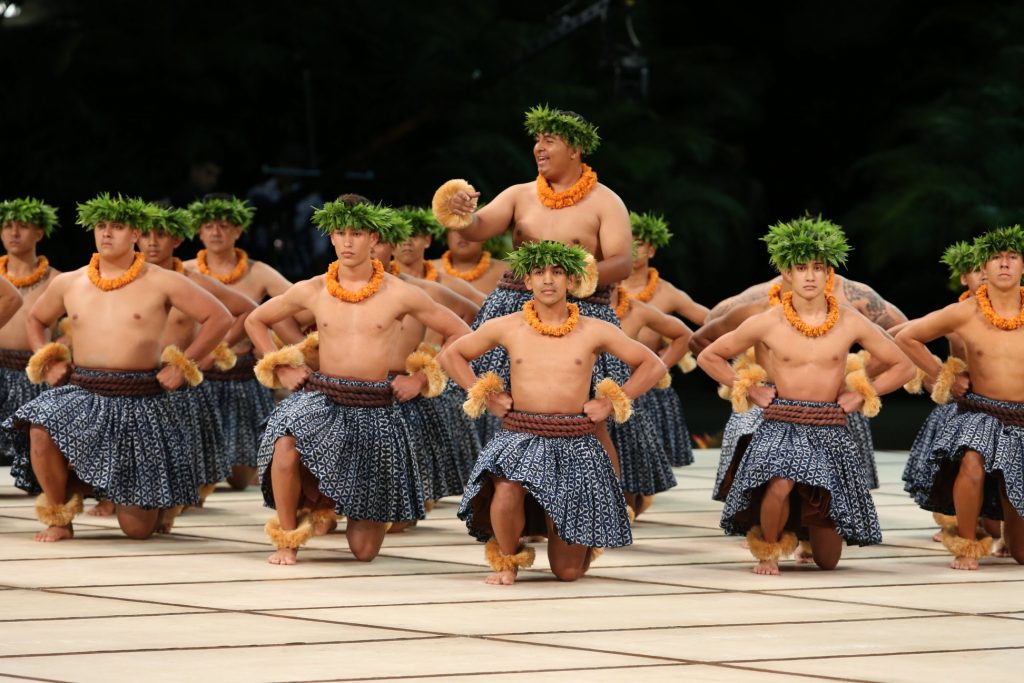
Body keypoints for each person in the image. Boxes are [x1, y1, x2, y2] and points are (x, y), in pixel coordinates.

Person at [244, 199, 471, 565]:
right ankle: (287, 538)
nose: (347, 242)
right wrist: (280, 365)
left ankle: (334, 502)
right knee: (285, 441)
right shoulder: (313, 289)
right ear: (332, 239)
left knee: (364, 552)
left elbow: (461, 331)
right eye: (340, 233)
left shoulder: (400, 292)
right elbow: (256, 320)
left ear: (374, 238)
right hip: (324, 398)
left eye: (357, 234)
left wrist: (421, 377)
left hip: (375, 408)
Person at [4, 193, 232, 541]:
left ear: (135, 235)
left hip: (141, 399)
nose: (107, 233)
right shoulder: (70, 282)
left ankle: (133, 498)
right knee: (39, 425)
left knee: (138, 530)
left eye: (118, 227)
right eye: (102, 226)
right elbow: (36, 319)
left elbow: (220, 317)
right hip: (83, 391)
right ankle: (59, 517)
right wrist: (46, 358)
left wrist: (186, 365)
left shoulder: (162, 280)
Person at [439, 241, 665, 584]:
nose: (548, 280)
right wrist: (486, 394)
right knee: (507, 486)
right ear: (527, 281)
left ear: (571, 282)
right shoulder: (508, 325)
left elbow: (653, 363)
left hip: (574, 441)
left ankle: (564, 528)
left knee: (568, 572)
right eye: (540, 273)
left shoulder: (595, 329)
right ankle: (507, 559)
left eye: (557, 273)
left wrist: (611, 400)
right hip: (521, 435)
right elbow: (451, 356)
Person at [698, 218, 913, 575]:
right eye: (801, 268)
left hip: (828, 426)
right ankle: (768, 549)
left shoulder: (849, 320)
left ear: (829, 273)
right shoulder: (767, 320)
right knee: (781, 481)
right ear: (787, 272)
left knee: (828, 561)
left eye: (818, 268)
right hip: (781, 423)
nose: (810, 276)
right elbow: (708, 354)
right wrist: (750, 388)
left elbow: (902, 366)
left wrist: (861, 394)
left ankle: (805, 534)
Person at [432, 104, 633, 464]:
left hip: (580, 313)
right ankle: (514, 500)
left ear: (575, 149)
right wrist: (460, 214)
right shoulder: (519, 195)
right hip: (516, 309)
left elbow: (621, 261)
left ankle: (608, 506)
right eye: (537, 140)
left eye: (549, 140)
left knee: (587, 417)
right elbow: (479, 227)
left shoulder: (606, 202)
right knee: (507, 410)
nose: (539, 148)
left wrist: (575, 279)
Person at [895, 225, 1024, 570]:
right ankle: (967, 543)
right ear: (984, 267)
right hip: (982, 411)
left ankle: (1013, 533)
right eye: (996, 258)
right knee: (971, 459)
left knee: (1021, 552)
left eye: (1012, 257)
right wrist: (944, 376)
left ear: (1023, 266)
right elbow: (906, 336)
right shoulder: (965, 313)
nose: (1004, 264)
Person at [139, 203, 258, 504]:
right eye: (147, 235)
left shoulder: (192, 280)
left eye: (162, 235)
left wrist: (211, 352)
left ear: (177, 240)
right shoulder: (125, 280)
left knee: (223, 480)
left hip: (180, 382)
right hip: (135, 381)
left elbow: (247, 311)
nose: (153, 242)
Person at [183, 194, 291, 490]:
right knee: (197, 471)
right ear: (198, 231)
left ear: (238, 231)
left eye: (224, 225)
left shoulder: (259, 272)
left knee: (240, 478)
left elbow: (296, 302)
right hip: (198, 374)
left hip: (242, 377)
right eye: (208, 226)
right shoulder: (185, 271)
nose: (216, 232)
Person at [900, 241, 993, 542]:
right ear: (964, 278)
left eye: (986, 269)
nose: (984, 276)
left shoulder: (1014, 313)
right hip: (964, 405)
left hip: (1004, 406)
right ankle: (957, 521)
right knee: (957, 466)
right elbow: (897, 336)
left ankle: (993, 524)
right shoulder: (956, 315)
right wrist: (936, 373)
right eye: (976, 271)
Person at [624, 211, 705, 468]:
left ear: (652, 251)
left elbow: (710, 319)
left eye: (638, 243)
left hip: (652, 382)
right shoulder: (606, 291)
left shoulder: (667, 293)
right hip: (612, 380)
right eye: (627, 243)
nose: (632, 249)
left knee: (652, 461)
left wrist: (665, 362)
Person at [608, 282, 693, 515]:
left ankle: (624, 510)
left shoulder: (639, 309)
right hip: (581, 403)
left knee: (630, 486)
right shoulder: (570, 311)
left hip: (626, 399)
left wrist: (656, 367)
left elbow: (686, 334)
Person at [0, 198, 58, 465]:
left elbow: (78, 326)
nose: (13, 233)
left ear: (39, 233)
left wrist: (56, 352)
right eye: (8, 226)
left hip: (34, 377)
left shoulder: (57, 281)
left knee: (33, 460)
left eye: (22, 226)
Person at [391, 207, 486, 306]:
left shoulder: (450, 285)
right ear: (390, 243)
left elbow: (490, 306)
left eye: (413, 235)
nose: (407, 242)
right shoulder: (379, 283)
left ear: (427, 240)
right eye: (400, 236)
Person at [432, 226, 510, 296]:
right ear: (446, 236)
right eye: (455, 228)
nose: (462, 234)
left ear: (484, 235)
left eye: (469, 227)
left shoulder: (507, 272)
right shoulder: (428, 270)